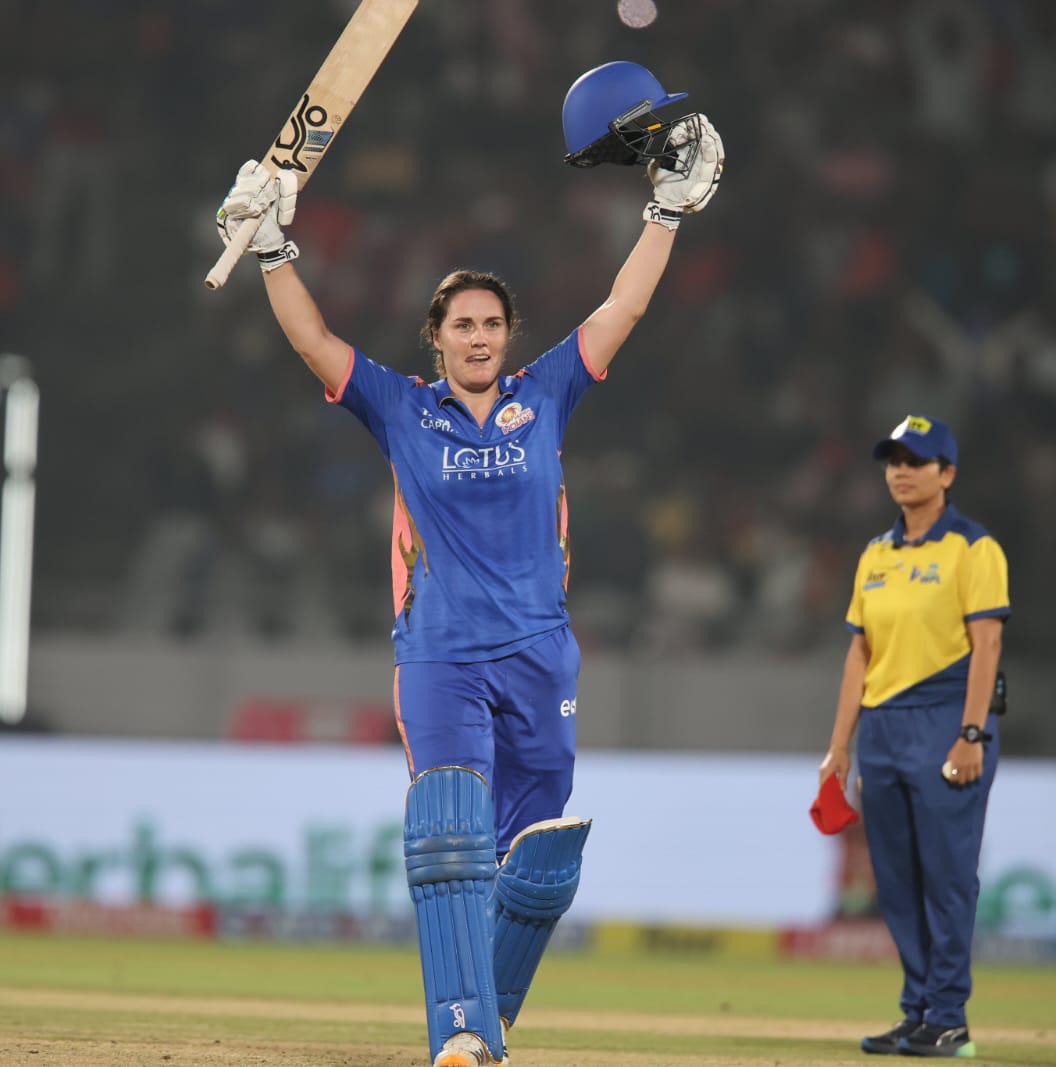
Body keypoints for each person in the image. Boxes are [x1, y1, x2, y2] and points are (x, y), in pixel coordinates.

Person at [213, 62, 723, 1067]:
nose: (479, 337)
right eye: (462, 325)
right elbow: (314, 340)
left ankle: (489, 1026)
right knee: (451, 838)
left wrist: (665, 212)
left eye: (492, 323)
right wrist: (272, 248)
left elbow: (621, 308)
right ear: (437, 340)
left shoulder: (548, 392)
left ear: (506, 335)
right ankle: (457, 1029)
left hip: (541, 651)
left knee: (540, 862)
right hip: (442, 654)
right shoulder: (401, 407)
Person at [816, 415, 1009, 1059]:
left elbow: (987, 646)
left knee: (947, 877)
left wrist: (972, 733)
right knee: (895, 881)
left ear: (946, 474)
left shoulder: (974, 548)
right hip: (882, 729)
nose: (901, 471)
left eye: (916, 461)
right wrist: (839, 746)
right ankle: (919, 1010)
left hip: (944, 719)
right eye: (893, 460)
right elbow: (859, 654)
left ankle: (949, 1017)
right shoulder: (875, 554)